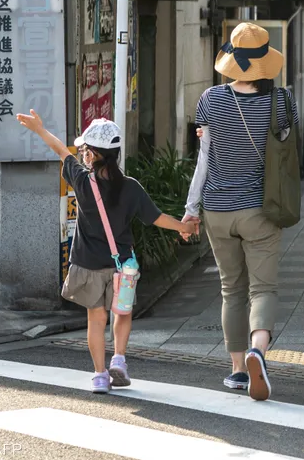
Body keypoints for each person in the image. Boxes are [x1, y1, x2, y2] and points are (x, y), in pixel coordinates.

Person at [14, 113, 194, 393]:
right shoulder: (131, 187)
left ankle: (100, 376)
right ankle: (119, 360)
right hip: (123, 267)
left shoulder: (84, 182)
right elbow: (156, 218)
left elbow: (61, 150)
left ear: (94, 154)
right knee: (122, 313)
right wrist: (183, 227)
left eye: (85, 149)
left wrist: (39, 129)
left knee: (95, 320)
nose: (82, 153)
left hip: (88, 266)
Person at [182, 22, 300, 402]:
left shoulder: (210, 101)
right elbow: (286, 148)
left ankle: (236, 371)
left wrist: (190, 209)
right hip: (261, 210)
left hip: (217, 210)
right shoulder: (282, 101)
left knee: (231, 289)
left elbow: (203, 159)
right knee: (262, 288)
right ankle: (257, 351)